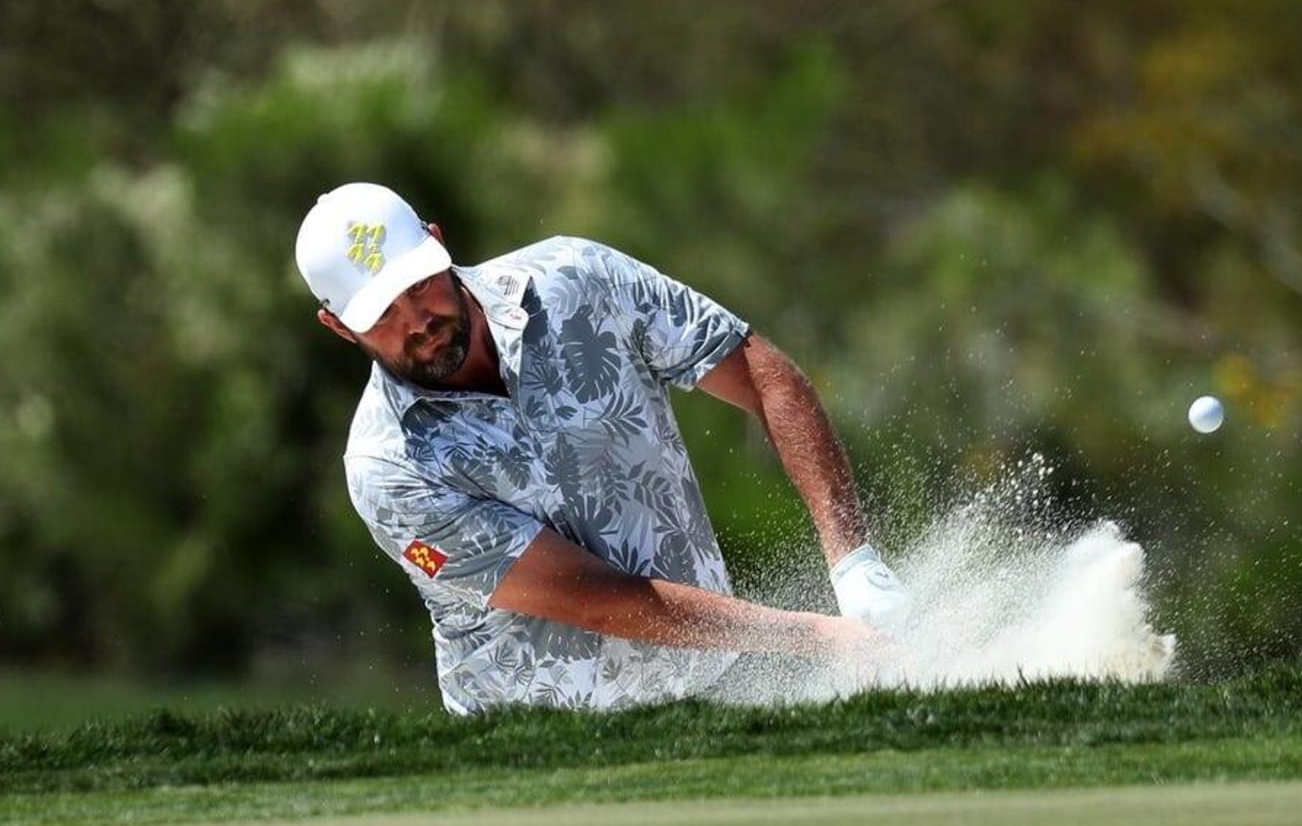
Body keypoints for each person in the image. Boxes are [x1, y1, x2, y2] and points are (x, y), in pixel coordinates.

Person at [295, 182, 913, 714]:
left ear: (438, 240)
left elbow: (764, 377)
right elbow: (597, 599)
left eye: (420, 284)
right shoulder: (386, 468)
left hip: (713, 689)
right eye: (382, 313)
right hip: (536, 750)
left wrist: (852, 559)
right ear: (337, 326)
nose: (416, 320)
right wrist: (818, 638)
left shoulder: (575, 279)